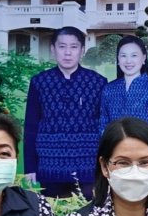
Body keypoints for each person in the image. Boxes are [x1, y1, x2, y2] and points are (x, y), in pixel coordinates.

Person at [23, 27, 107, 196]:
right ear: (53, 49)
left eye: (74, 47)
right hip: (49, 167)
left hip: (88, 167)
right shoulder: (40, 82)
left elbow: (105, 126)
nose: (68, 53)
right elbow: (31, 126)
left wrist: (105, 166)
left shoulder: (98, 82)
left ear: (82, 50)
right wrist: (30, 168)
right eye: (62, 47)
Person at [97, 35, 148, 139]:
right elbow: (103, 125)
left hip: (141, 149)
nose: (128, 61)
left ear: (144, 58)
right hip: (113, 149)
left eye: (134, 55)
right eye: (123, 56)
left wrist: (136, 136)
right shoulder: (109, 89)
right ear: (118, 59)